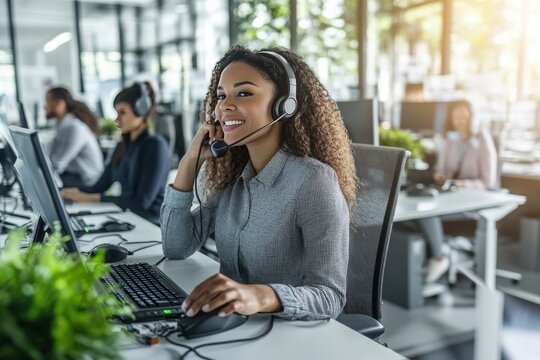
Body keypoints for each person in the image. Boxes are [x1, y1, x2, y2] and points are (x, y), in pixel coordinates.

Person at [161, 46, 357, 321]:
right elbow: (176, 247)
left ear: (283, 105)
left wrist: (260, 296)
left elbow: (330, 297)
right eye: (221, 96)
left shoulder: (314, 181)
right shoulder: (235, 178)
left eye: (244, 93)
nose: (224, 106)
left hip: (287, 337)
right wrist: (190, 161)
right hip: (233, 328)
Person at [61, 82, 169, 225]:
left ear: (141, 111)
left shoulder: (156, 146)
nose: (116, 119)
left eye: (122, 112)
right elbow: (99, 187)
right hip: (127, 218)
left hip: (149, 224)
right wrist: (65, 191)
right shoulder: (122, 146)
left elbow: (141, 203)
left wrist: (91, 198)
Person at [421, 100, 497, 283]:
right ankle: (435, 254)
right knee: (422, 208)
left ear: (473, 118)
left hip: (473, 202)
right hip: (451, 198)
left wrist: (461, 183)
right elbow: (443, 170)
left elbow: (488, 182)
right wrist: (441, 176)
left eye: (464, 116)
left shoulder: (482, 140)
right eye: (456, 117)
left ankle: (439, 257)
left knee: (428, 213)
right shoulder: (451, 139)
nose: (460, 121)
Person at [45, 87, 103, 188]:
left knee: (47, 188)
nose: (45, 106)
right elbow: (52, 159)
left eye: (48, 101)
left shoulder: (74, 128)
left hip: (87, 182)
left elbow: (58, 163)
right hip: (73, 176)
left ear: (60, 104)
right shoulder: (62, 126)